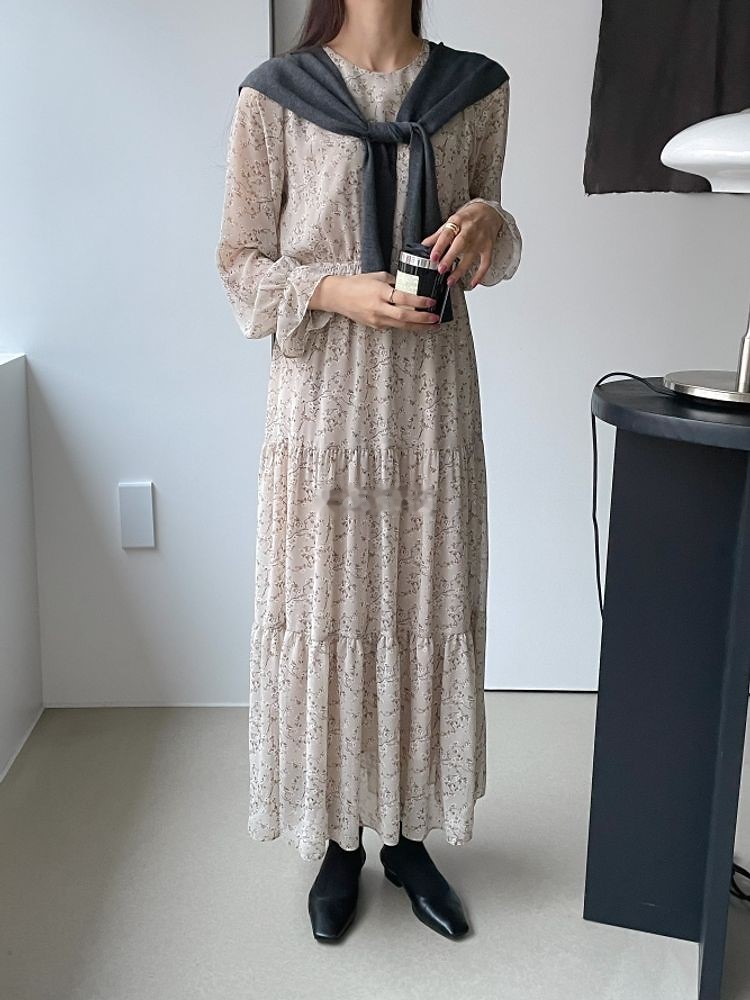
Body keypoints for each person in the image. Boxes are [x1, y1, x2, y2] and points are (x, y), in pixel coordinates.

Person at [216, 0, 522, 943]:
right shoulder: (276, 96)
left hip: (429, 402)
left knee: (422, 597)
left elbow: (500, 251)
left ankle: (409, 837)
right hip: (323, 406)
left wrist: (491, 224)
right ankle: (339, 842)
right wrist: (335, 289)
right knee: (331, 603)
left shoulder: (476, 90)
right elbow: (238, 262)